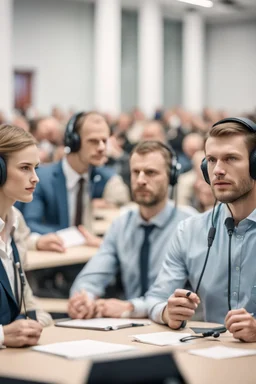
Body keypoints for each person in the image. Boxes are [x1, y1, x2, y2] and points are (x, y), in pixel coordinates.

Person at [147, 117, 256, 342]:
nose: (218, 170)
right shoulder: (190, 230)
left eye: (231, 159)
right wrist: (168, 312)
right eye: (212, 160)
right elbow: (154, 299)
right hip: (209, 360)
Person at [68, 141, 192, 319]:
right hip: (130, 327)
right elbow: (92, 276)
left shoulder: (189, 225)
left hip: (178, 327)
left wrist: (130, 307)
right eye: (136, 172)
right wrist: (83, 298)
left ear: (171, 177)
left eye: (150, 173)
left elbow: (166, 296)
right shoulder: (122, 224)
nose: (141, 180)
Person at [20, 111, 130, 245]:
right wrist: (74, 236)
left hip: (85, 255)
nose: (102, 148)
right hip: (57, 258)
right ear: (74, 142)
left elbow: (123, 201)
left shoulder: (101, 176)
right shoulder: (42, 179)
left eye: (104, 141)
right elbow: (30, 224)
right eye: (93, 141)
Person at [0, 124, 52, 348]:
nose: (35, 178)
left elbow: (28, 303)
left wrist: (35, 321)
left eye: (36, 168)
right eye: (24, 168)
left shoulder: (17, 223)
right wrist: (2, 335)